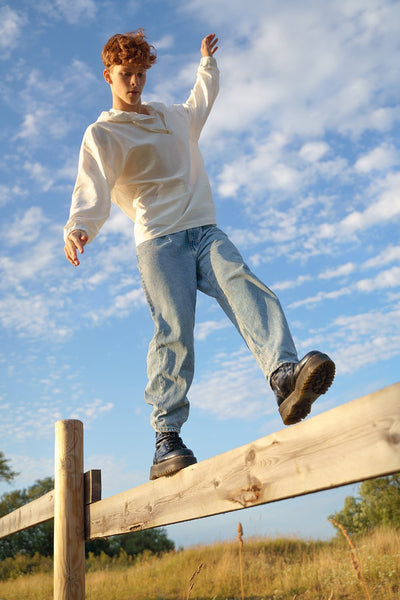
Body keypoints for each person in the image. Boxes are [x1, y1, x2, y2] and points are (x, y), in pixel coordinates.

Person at [64, 30, 335, 480]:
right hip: (159, 241)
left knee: (245, 286)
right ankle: (166, 437)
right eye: (125, 74)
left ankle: (284, 376)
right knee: (175, 333)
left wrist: (207, 64)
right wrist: (78, 227)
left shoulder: (172, 117)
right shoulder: (104, 132)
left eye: (140, 74)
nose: (134, 82)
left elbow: (200, 102)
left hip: (205, 231)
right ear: (108, 75)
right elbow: (92, 186)